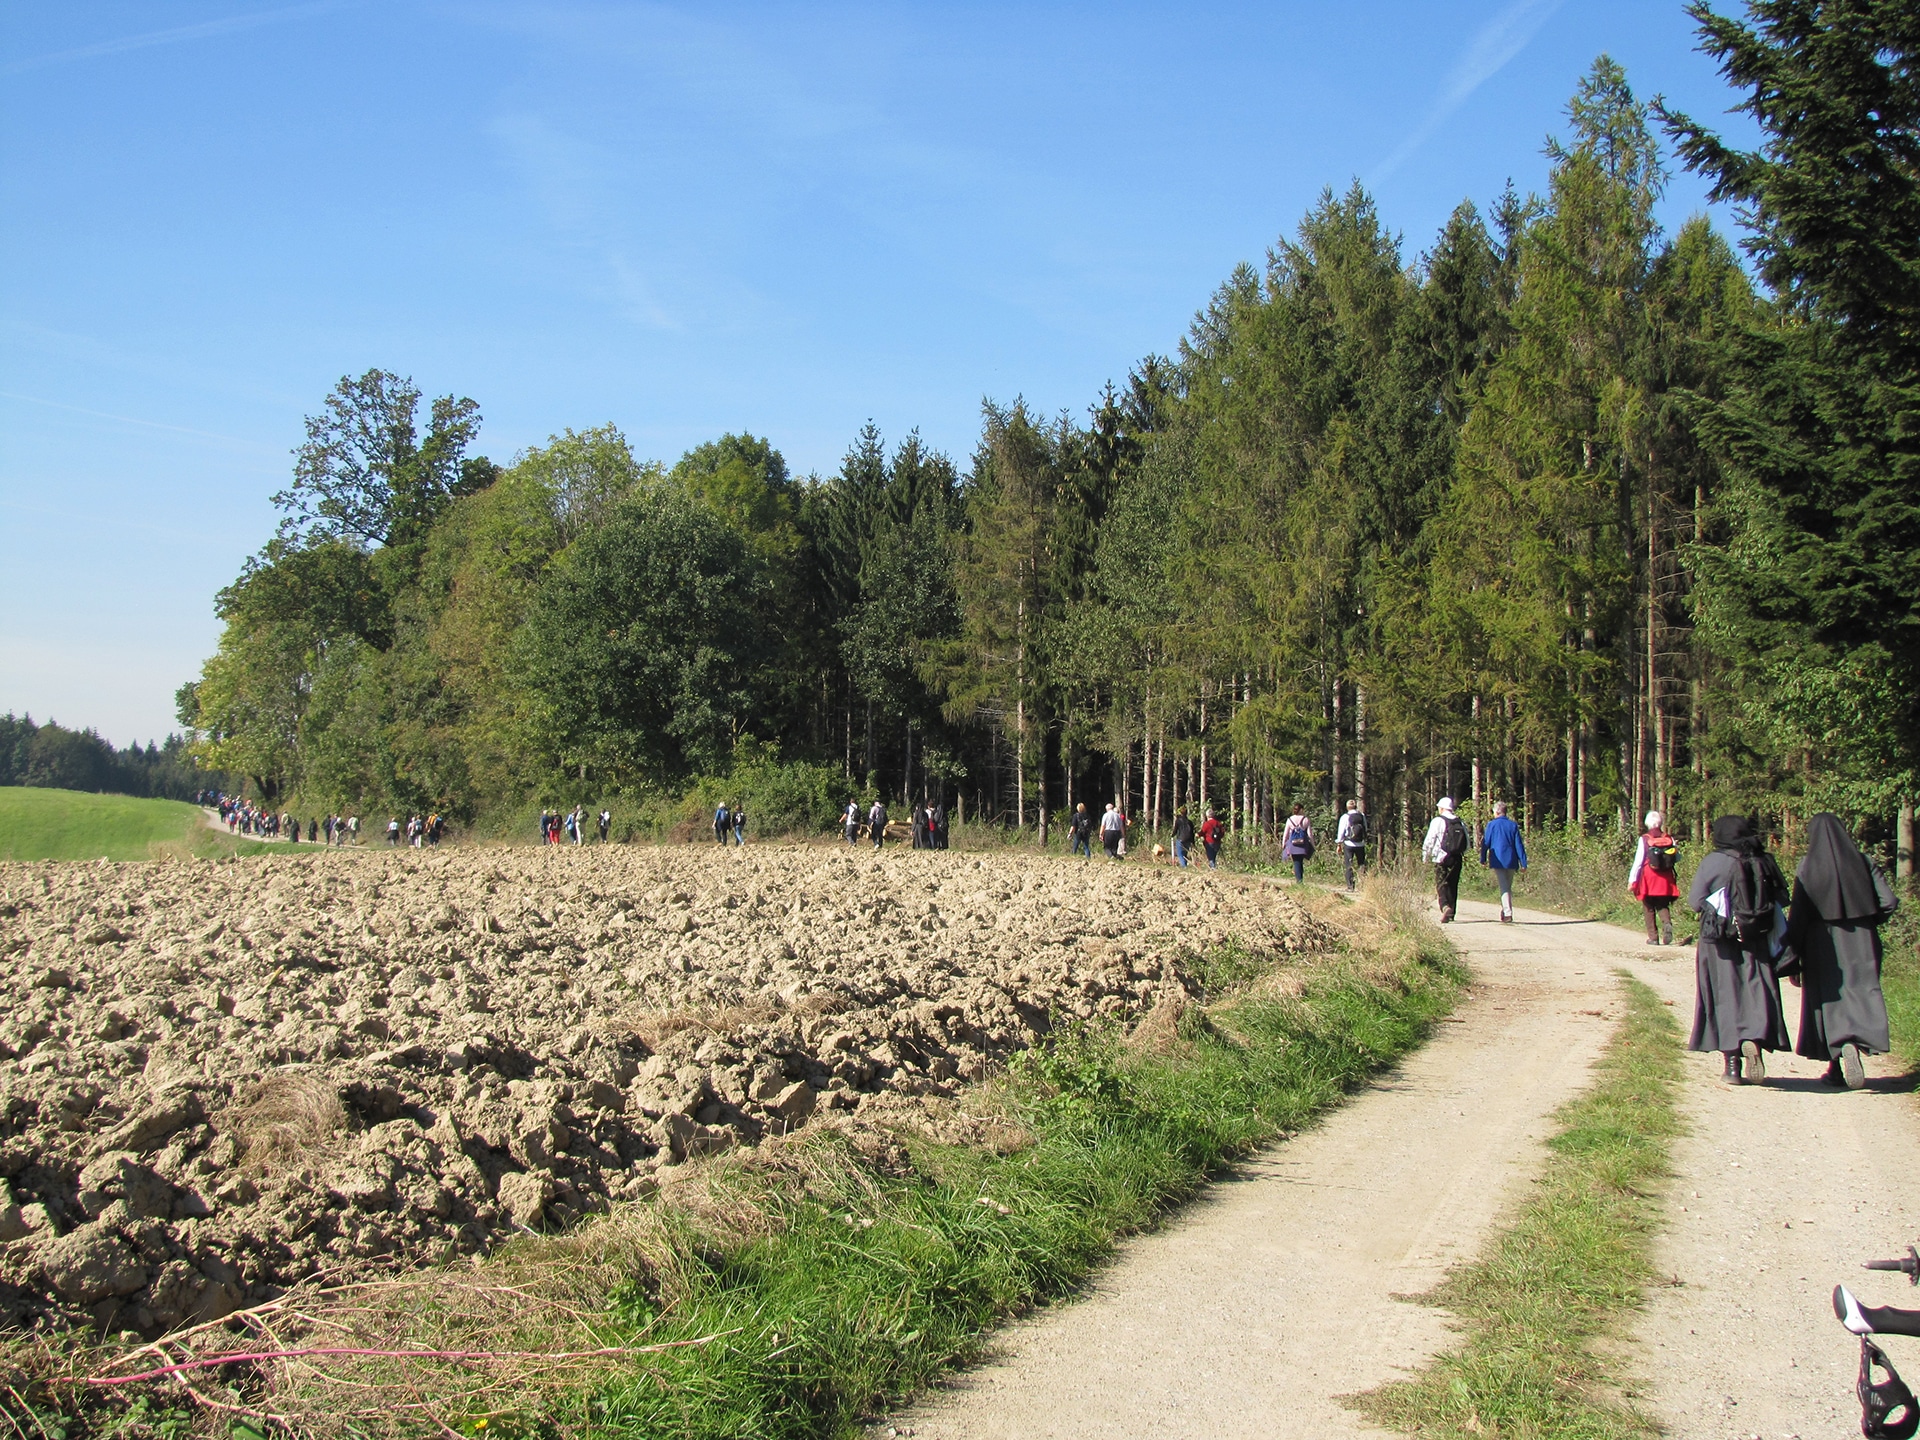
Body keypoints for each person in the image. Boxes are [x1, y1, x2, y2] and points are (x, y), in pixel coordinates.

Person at [1786, 813, 1900, 1089]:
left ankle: (1838, 1055)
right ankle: (1854, 1043)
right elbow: (1889, 902)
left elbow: (1799, 914)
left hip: (1820, 941)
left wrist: (1792, 955)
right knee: (1862, 991)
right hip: (1863, 938)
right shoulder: (1864, 861)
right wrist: (1867, 921)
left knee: (1829, 999)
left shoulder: (1807, 866)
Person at [1686, 814, 1791, 1085]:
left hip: (1719, 941)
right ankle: (1754, 1039)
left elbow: (1695, 901)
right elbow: (1783, 898)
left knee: (1725, 995)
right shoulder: (1763, 860)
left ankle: (1732, 1064)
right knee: (1756, 988)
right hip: (1757, 939)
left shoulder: (1713, 861)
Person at [1627, 810, 1682, 945]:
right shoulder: (1669, 838)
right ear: (1660, 823)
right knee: (1663, 904)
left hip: (1649, 877)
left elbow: (1638, 861)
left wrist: (1632, 880)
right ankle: (1667, 923)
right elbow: (1678, 857)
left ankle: (1653, 937)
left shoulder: (1644, 839)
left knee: (1648, 906)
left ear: (1647, 823)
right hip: (1666, 877)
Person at [1477, 801, 1528, 923]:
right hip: (1511, 860)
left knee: (1505, 887)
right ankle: (1505, 910)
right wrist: (1523, 862)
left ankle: (1507, 912)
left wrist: (1483, 858)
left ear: (1497, 812)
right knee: (1507, 886)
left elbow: (1486, 843)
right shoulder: (1513, 825)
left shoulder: (1491, 825)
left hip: (1498, 860)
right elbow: (1519, 845)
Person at [1420, 797, 1469, 923]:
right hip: (1457, 857)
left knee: (1441, 883)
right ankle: (1452, 912)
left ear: (1441, 808)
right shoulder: (1460, 822)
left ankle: (1445, 906)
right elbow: (1467, 841)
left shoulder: (1438, 821)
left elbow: (1430, 839)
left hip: (1441, 857)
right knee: (1453, 884)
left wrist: (1425, 856)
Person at [1335, 800, 1368, 890]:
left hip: (1349, 844)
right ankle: (1363, 884)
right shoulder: (1362, 816)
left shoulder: (1345, 817)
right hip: (1360, 844)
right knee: (1361, 864)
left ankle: (1350, 886)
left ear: (1347, 807)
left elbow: (1341, 832)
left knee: (1349, 864)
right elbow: (1365, 828)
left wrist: (1339, 843)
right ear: (1355, 806)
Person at [1280, 803, 1314, 883]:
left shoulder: (1290, 819)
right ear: (1301, 810)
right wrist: (1312, 844)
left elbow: (1286, 833)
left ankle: (1299, 880)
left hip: (1293, 844)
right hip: (1303, 844)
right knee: (1300, 861)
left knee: (1296, 861)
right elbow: (1309, 834)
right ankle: (1300, 879)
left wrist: (1283, 843)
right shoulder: (1306, 819)